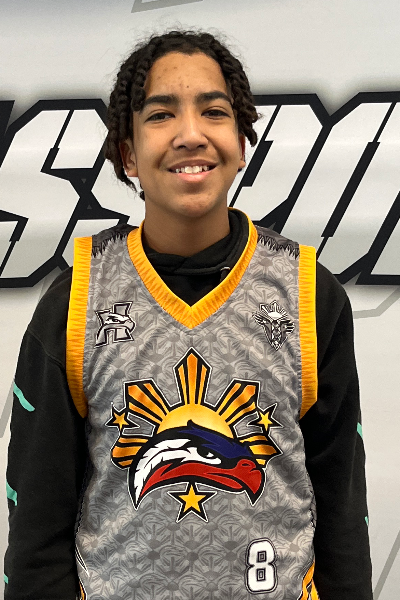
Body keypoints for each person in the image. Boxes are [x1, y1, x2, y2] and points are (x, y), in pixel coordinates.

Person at [5, 30, 372, 600]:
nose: (191, 134)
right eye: (160, 115)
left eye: (214, 111)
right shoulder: (75, 302)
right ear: (128, 154)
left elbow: (341, 507)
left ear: (242, 143)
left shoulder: (307, 292)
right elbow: (37, 524)